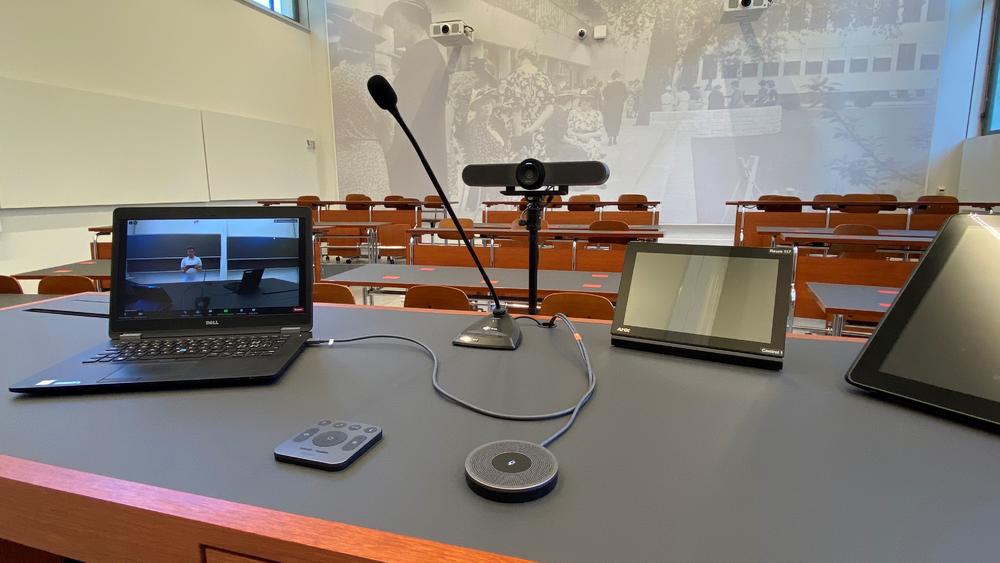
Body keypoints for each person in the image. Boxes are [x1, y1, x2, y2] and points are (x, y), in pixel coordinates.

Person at [383, 0, 447, 198]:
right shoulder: (426, 54)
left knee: (411, 217)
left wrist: (391, 156)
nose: (394, 31)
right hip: (420, 154)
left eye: (397, 23)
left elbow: (409, 109)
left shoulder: (421, 56)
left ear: (413, 22)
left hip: (414, 158)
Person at [329, 9, 391, 200]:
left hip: (340, 158)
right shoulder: (375, 81)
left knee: (344, 214)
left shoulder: (331, 78)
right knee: (377, 213)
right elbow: (388, 128)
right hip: (369, 156)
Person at [499, 49, 555, 159]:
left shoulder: (513, 76)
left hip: (518, 129)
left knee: (517, 167)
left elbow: (516, 109)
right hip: (537, 131)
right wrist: (532, 129)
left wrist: (519, 137)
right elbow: (550, 109)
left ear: (519, 57)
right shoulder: (544, 78)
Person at [567, 92, 606, 160]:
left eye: (587, 100)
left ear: (591, 102)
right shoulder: (573, 113)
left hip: (592, 139)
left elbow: (601, 132)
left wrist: (588, 135)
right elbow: (568, 130)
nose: (584, 102)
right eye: (582, 100)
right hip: (576, 139)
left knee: (592, 149)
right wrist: (579, 136)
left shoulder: (597, 114)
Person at [602, 71, 628, 146]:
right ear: (618, 76)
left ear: (612, 77)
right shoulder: (622, 85)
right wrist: (621, 102)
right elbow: (625, 95)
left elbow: (604, 94)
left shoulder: (609, 84)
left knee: (609, 121)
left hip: (609, 106)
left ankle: (610, 137)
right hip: (618, 106)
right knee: (617, 121)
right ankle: (615, 138)